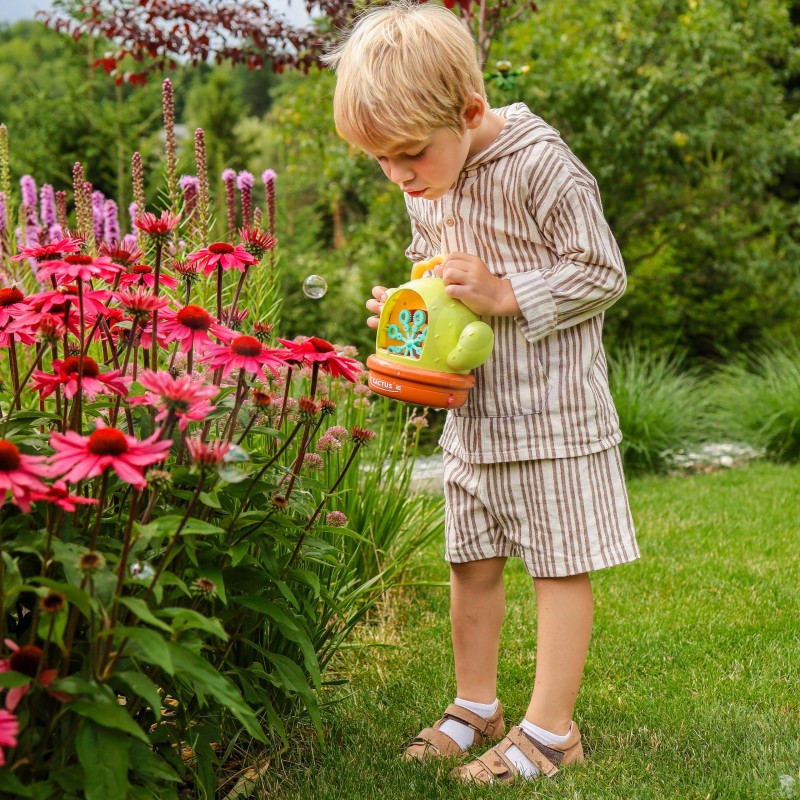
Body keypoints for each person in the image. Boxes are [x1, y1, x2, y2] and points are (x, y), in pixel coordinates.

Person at [324, 0, 639, 785]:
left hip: (553, 415)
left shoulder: (542, 166)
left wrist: (505, 293)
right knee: (472, 563)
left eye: (409, 156)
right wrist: (409, 307)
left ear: (468, 111)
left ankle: (552, 732)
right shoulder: (428, 177)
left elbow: (602, 271)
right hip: (476, 417)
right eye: (380, 161)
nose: (400, 176)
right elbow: (435, 270)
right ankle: (476, 707)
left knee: (557, 568)